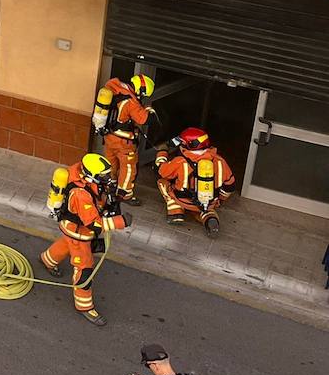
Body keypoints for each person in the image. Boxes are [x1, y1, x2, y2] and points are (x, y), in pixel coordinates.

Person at [39, 153, 131, 326]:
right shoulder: (81, 195)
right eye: (104, 176)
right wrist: (121, 221)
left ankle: (47, 259)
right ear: (91, 176)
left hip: (71, 230)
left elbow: (98, 199)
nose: (108, 179)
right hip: (79, 233)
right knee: (84, 268)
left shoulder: (86, 180)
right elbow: (94, 224)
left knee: (65, 244)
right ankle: (84, 306)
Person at [154, 128, 236, 237]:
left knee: (162, 182)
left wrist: (162, 153)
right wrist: (220, 200)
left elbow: (161, 172)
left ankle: (176, 211)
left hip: (183, 200)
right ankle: (209, 217)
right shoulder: (220, 161)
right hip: (209, 202)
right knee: (205, 210)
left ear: (190, 145)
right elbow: (230, 185)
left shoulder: (180, 162)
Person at [91, 74, 156, 205]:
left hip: (109, 137)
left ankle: (111, 185)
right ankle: (125, 194)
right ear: (140, 90)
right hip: (124, 141)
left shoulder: (115, 90)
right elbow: (144, 119)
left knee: (110, 163)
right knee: (128, 167)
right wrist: (149, 109)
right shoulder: (130, 102)